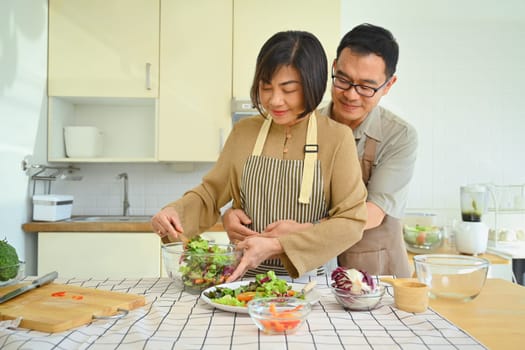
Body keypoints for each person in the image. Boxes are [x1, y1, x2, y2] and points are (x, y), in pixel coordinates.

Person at [151, 30, 367, 281]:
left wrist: (279, 246)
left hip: (307, 284)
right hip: (242, 282)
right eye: (266, 87)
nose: (274, 100)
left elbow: (351, 221)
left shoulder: (337, 138)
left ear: (313, 84)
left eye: (288, 89)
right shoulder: (244, 132)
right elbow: (210, 194)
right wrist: (175, 212)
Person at [223, 23, 417, 278]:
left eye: (366, 86)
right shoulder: (303, 122)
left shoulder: (399, 136)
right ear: (333, 68)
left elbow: (371, 213)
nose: (351, 94)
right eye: (343, 80)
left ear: (389, 85)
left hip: (373, 269)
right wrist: (232, 213)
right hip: (314, 267)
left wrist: (303, 233)